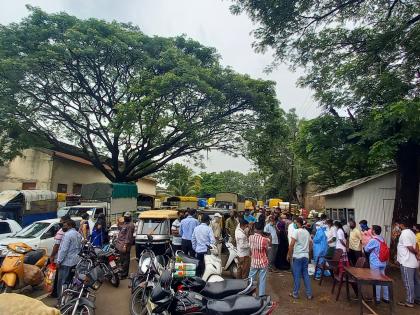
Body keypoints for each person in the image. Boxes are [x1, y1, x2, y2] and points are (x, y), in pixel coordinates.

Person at [288, 217, 313, 299]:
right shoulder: (307, 232)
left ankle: (295, 293)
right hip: (305, 256)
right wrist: (308, 253)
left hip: (298, 256)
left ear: (298, 223)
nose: (294, 224)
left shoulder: (296, 231)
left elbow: (291, 244)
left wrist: (289, 254)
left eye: (295, 223)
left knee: (297, 275)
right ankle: (309, 294)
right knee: (306, 275)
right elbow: (310, 244)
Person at [56, 219, 82, 299]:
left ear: (70, 226)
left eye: (64, 226)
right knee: (72, 282)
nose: (63, 227)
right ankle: (70, 299)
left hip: (66, 262)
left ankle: (61, 301)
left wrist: (59, 261)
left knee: (62, 282)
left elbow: (64, 249)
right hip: (76, 261)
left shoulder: (67, 235)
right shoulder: (78, 234)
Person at [364, 225, 389, 304]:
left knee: (377, 280)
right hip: (383, 262)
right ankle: (386, 297)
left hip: (375, 262)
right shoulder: (382, 239)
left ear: (374, 231)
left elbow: (366, 249)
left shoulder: (373, 240)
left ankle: (377, 299)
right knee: (384, 280)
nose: (371, 230)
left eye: (372, 229)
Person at [397, 220, 420, 308]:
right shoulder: (411, 233)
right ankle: (417, 298)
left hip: (407, 262)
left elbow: (409, 247)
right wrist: (417, 253)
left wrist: (416, 253)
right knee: (416, 281)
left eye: (398, 224)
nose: (398, 226)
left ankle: (409, 301)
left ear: (402, 225)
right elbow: (417, 244)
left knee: (408, 282)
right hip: (412, 262)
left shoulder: (405, 233)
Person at [49, 214, 70, 298]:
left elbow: (57, 246)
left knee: (59, 277)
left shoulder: (63, 232)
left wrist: (52, 256)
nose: (60, 223)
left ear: (66, 222)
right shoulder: (70, 231)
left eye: (61, 222)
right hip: (68, 259)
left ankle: (58, 296)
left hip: (61, 258)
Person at [249, 221, 271, 296]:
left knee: (251, 279)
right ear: (262, 229)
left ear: (255, 228)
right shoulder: (264, 240)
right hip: (263, 262)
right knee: (262, 280)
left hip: (254, 262)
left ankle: (251, 293)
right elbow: (267, 250)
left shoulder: (250, 237)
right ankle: (261, 295)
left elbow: (250, 249)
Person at [115, 212, 135, 278]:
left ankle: (124, 274)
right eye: (125, 217)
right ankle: (122, 272)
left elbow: (128, 237)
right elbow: (122, 229)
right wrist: (118, 223)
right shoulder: (125, 224)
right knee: (121, 260)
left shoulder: (130, 225)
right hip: (120, 245)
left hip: (124, 246)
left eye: (127, 217)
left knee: (125, 260)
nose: (126, 218)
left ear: (130, 218)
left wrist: (125, 246)